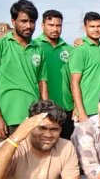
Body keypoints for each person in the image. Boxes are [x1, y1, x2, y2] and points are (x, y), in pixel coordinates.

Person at [0, 0, 47, 139]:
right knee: (6, 153)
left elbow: (42, 82)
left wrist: (45, 112)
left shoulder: (38, 49)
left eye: (32, 21)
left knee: (33, 153)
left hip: (33, 116)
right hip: (8, 118)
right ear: (13, 21)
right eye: (24, 21)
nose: (28, 26)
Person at [32, 9, 75, 139]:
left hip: (66, 106)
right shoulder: (34, 47)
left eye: (58, 25)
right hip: (43, 107)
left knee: (66, 143)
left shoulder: (69, 49)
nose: (55, 29)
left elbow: (74, 79)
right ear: (42, 25)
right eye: (51, 25)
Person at [69, 12, 100, 122]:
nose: (96, 29)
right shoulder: (80, 50)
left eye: (99, 26)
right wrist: (81, 112)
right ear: (85, 28)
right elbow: (74, 83)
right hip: (87, 110)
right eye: (92, 26)